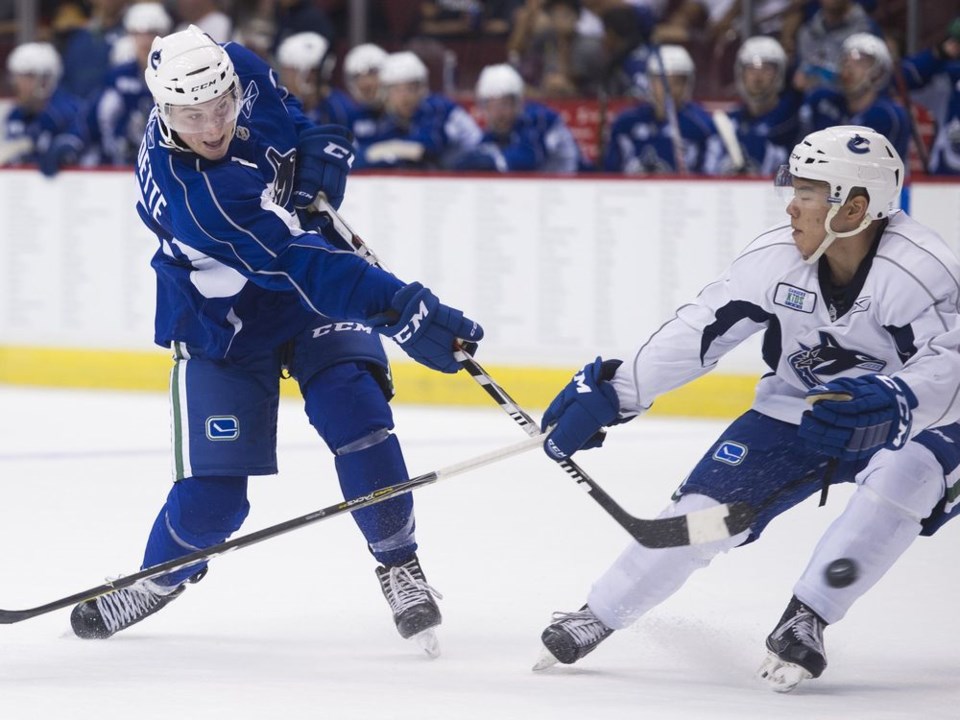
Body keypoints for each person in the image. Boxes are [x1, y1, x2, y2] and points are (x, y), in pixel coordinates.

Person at [68, 26, 484, 657]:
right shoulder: (199, 195)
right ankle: (158, 579)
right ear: (162, 112)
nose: (211, 128)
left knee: (358, 413)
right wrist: (403, 311)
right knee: (213, 504)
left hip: (303, 299)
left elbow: (282, 112)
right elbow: (301, 261)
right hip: (225, 322)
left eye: (221, 109)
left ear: (232, 86)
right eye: (191, 117)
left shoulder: (235, 66)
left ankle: (399, 565)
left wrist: (311, 145)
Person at [533, 125, 960, 692]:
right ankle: (601, 611)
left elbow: (950, 369)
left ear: (855, 207)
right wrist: (618, 392)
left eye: (809, 192)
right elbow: (698, 331)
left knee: (900, 482)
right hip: (797, 409)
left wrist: (896, 401)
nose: (792, 205)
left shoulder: (920, 272)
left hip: (918, 422)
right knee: (703, 513)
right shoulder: (775, 259)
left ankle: (809, 614)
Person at [40, 2, 174, 175]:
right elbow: (91, 118)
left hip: (164, 173)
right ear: (129, 35)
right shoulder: (118, 76)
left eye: (152, 33)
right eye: (138, 33)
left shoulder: (176, 78)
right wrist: (71, 140)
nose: (145, 40)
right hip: (116, 170)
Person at [354, 51, 482, 170]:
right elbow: (361, 157)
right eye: (396, 90)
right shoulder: (389, 119)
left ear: (422, 89)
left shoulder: (437, 108)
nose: (404, 97)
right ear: (386, 93)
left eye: (411, 88)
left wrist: (386, 150)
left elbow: (427, 149)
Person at [602, 44, 716, 174]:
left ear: (687, 85)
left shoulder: (702, 126)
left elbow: (709, 178)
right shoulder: (625, 123)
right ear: (650, 81)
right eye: (661, 81)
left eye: (676, 82)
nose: (668, 90)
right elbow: (610, 173)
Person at [800, 33, 909, 162]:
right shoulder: (822, 101)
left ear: (879, 73)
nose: (849, 67)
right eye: (845, 60)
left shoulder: (888, 115)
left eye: (861, 62)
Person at [454, 63, 581, 173]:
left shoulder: (540, 119)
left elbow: (528, 158)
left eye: (505, 104)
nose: (499, 113)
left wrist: (490, 161)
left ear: (518, 104)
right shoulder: (493, 135)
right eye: (492, 106)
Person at [715, 35, 801, 175]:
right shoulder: (728, 120)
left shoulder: (793, 121)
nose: (757, 77)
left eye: (766, 69)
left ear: (779, 74)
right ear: (740, 73)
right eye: (751, 69)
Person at [1, 42, 82, 168]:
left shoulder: (67, 113)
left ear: (45, 79)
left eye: (26, 76)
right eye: (15, 76)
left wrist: (65, 149)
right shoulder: (16, 114)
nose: (16, 84)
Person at [275, 31, 357, 127]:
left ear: (308, 74)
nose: (285, 77)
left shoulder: (341, 109)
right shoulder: (280, 107)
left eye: (291, 70)